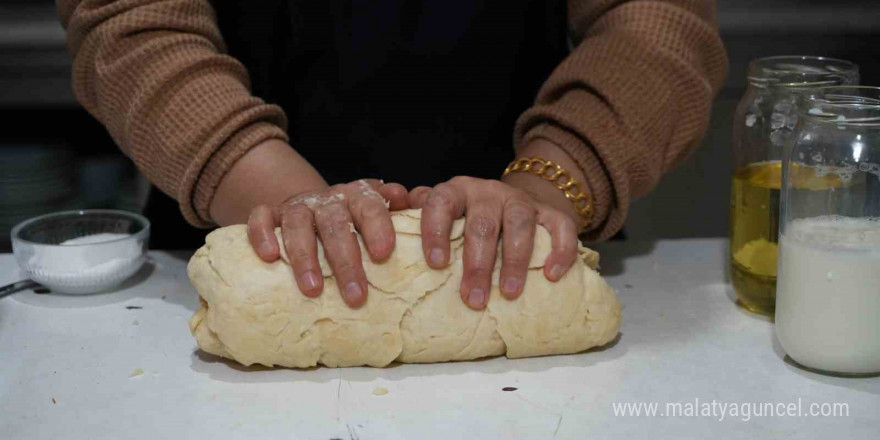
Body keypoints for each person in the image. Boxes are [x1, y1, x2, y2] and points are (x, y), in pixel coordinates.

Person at [57, 0, 727, 310]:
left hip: (534, 231)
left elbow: (654, 25)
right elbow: (132, 25)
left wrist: (550, 184)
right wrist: (276, 190)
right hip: (239, 217)